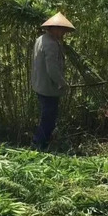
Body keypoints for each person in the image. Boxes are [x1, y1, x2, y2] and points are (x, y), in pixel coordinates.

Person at [31, 12, 76, 151]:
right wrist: (62, 82)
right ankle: (38, 145)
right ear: (54, 28)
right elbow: (52, 68)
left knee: (47, 116)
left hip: (40, 85)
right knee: (48, 118)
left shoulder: (41, 39)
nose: (63, 33)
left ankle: (42, 145)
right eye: (62, 30)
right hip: (48, 88)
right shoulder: (51, 44)